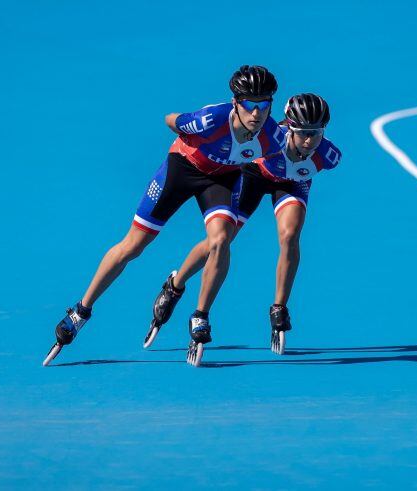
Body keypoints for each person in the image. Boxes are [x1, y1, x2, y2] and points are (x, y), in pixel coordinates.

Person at [43, 65, 283, 366]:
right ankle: (80, 310)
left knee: (221, 241)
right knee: (133, 247)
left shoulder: (273, 136)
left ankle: (200, 316)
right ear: (236, 102)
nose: (257, 113)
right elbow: (171, 120)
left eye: (264, 105)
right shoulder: (211, 120)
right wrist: (185, 134)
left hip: (221, 180)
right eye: (250, 104)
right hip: (181, 170)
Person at [145, 93, 342, 354]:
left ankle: (279, 309)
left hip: (292, 183)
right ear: (289, 127)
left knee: (290, 236)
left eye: (315, 133)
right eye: (303, 132)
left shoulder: (329, 156)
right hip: (254, 174)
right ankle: (175, 285)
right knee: (222, 240)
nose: (308, 141)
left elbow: (307, 169)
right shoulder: (273, 141)